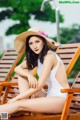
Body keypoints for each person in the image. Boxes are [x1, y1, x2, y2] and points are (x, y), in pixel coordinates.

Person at [0, 28, 70, 115]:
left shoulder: (50, 56)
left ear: (44, 42)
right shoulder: (38, 58)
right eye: (31, 43)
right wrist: (29, 76)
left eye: (37, 41)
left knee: (18, 105)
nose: (34, 46)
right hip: (48, 96)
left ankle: (17, 107)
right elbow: (17, 68)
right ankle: (7, 114)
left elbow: (39, 86)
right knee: (23, 73)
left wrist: (16, 98)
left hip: (60, 99)